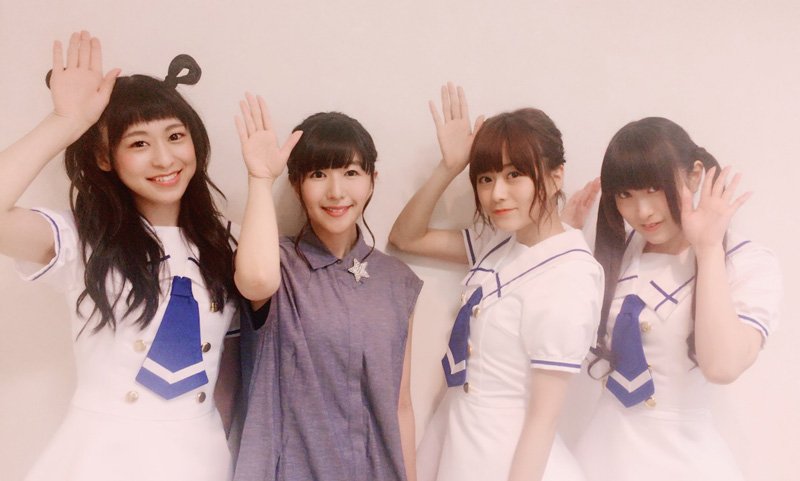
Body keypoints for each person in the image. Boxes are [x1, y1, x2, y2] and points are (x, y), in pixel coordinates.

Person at [0, 32, 241, 480]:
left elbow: (231, 365)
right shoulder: (82, 240)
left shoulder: (229, 243)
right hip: (101, 457)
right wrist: (64, 122)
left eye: (175, 136)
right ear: (104, 157)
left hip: (201, 456)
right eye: (139, 144)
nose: (164, 159)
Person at [389, 83, 603, 481]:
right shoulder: (499, 241)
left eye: (514, 174)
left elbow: (543, 417)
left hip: (510, 456)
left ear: (555, 176)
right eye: (486, 178)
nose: (496, 194)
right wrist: (450, 167)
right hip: (460, 434)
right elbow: (406, 237)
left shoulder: (570, 277)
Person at [573, 117, 783, 481]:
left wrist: (708, 249)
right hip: (601, 454)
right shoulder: (615, 252)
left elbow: (722, 368)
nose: (642, 211)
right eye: (625, 195)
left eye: (654, 188)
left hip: (683, 458)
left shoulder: (748, 263)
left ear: (695, 175)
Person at [231, 94, 423, 481]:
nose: (336, 191)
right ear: (297, 184)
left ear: (372, 181)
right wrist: (260, 180)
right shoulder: (276, 263)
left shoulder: (396, 280)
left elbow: (400, 403)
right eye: (318, 174)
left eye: (351, 173)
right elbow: (255, 281)